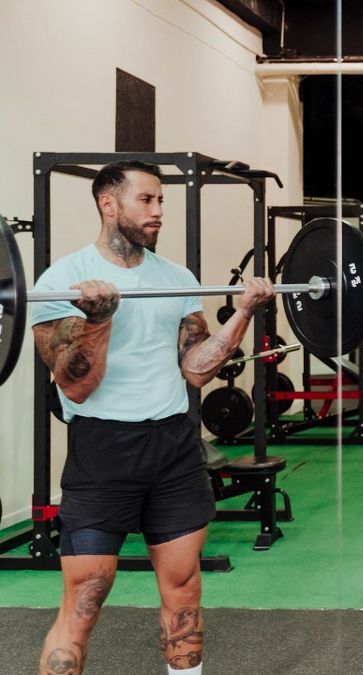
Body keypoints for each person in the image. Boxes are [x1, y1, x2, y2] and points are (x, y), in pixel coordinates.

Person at [29, 160, 275, 675]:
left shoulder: (176, 277)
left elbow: (196, 369)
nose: (159, 211)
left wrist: (244, 314)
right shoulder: (63, 280)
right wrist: (97, 321)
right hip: (103, 450)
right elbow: (75, 383)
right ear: (108, 204)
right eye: (147, 200)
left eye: (162, 200)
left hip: (174, 450)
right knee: (86, 599)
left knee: (184, 589)